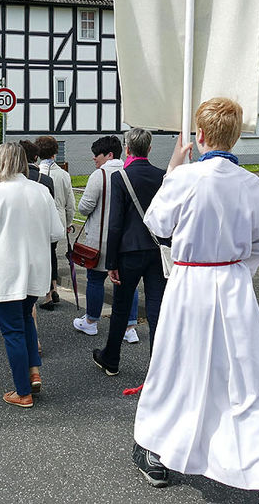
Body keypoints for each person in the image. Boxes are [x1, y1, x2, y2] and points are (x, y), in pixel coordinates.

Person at [132, 98, 259, 503]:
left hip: (189, 285)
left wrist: (172, 171)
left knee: (176, 367)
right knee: (249, 376)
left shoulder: (185, 179)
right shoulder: (252, 184)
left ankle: (156, 448)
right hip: (233, 284)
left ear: (199, 136)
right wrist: (237, 272)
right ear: (236, 137)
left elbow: (157, 224)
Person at [0, 143, 64, 408]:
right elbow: (57, 233)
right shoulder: (41, 191)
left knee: (12, 331)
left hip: (6, 273)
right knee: (26, 319)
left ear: (0, 163)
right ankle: (33, 372)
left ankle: (23, 392)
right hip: (36, 272)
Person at [92, 128, 167, 376]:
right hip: (157, 249)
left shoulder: (121, 177)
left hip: (128, 250)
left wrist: (111, 260)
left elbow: (115, 223)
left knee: (121, 306)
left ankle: (111, 358)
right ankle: (158, 366)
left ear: (127, 148)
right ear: (149, 148)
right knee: (157, 307)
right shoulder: (163, 176)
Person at [74, 136, 139, 343]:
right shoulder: (130, 172)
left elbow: (84, 208)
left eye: (97, 155)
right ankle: (130, 327)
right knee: (129, 283)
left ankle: (91, 322)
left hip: (100, 240)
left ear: (109, 154)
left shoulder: (99, 175)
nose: (94, 159)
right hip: (127, 240)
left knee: (95, 280)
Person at [34, 136, 75, 309]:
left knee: (42, 255)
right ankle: (54, 288)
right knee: (52, 253)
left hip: (38, 220)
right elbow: (71, 203)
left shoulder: (34, 174)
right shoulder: (63, 174)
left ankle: (48, 293)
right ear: (55, 152)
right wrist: (68, 222)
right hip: (58, 220)